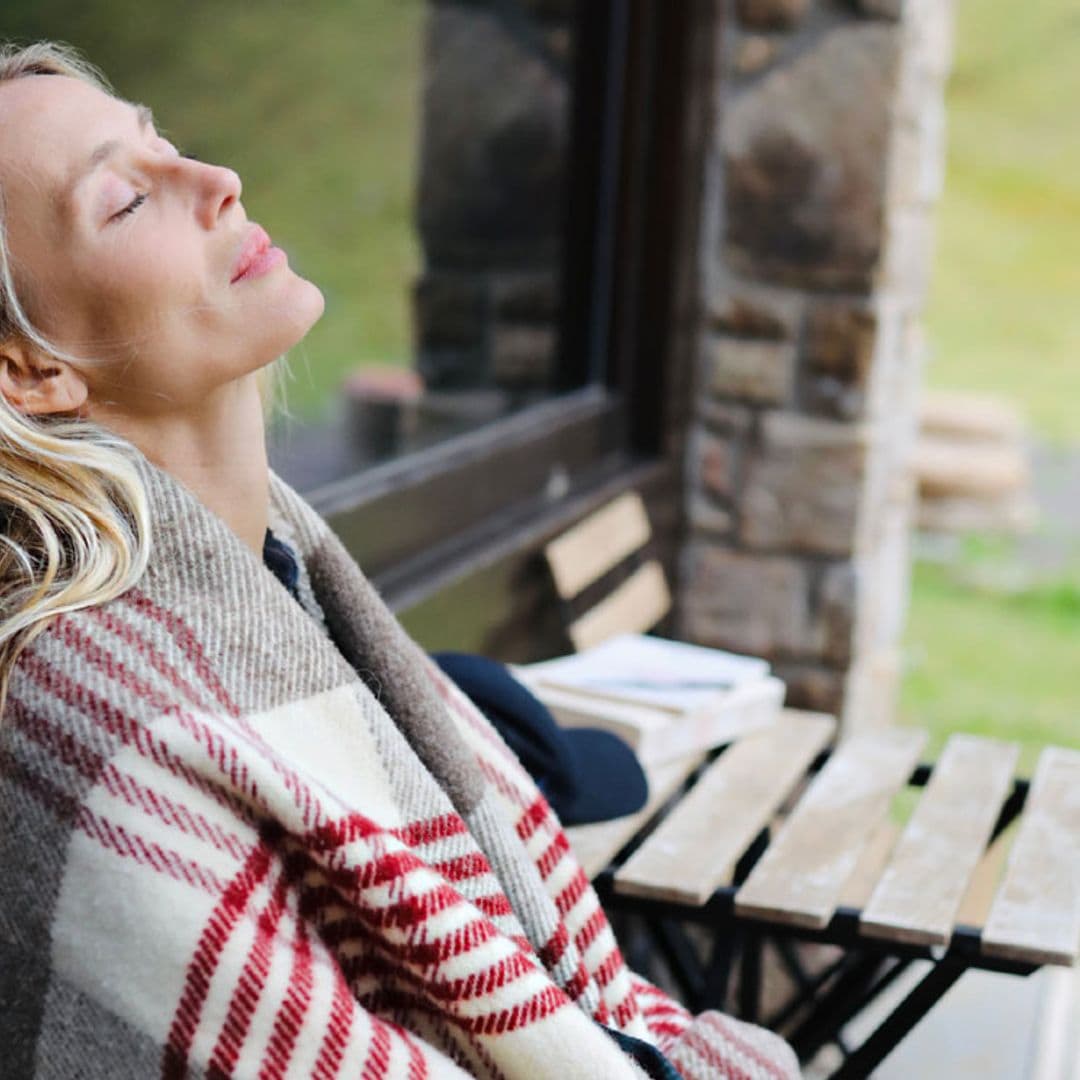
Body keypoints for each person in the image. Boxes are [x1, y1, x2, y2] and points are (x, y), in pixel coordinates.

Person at [0, 42, 800, 1079]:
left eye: (166, 142)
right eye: (123, 201)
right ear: (31, 369)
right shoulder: (97, 719)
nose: (215, 181)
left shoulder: (283, 581)